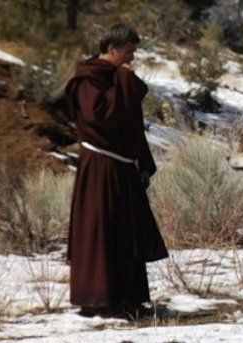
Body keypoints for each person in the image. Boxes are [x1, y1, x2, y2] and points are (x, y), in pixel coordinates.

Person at [65, 23, 168, 318]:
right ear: (111, 49)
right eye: (127, 52)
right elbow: (99, 117)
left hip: (123, 169)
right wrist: (124, 80)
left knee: (125, 234)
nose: (130, 59)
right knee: (101, 232)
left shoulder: (115, 77)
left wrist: (143, 164)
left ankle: (127, 299)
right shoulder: (89, 79)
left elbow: (131, 126)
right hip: (100, 168)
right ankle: (99, 300)